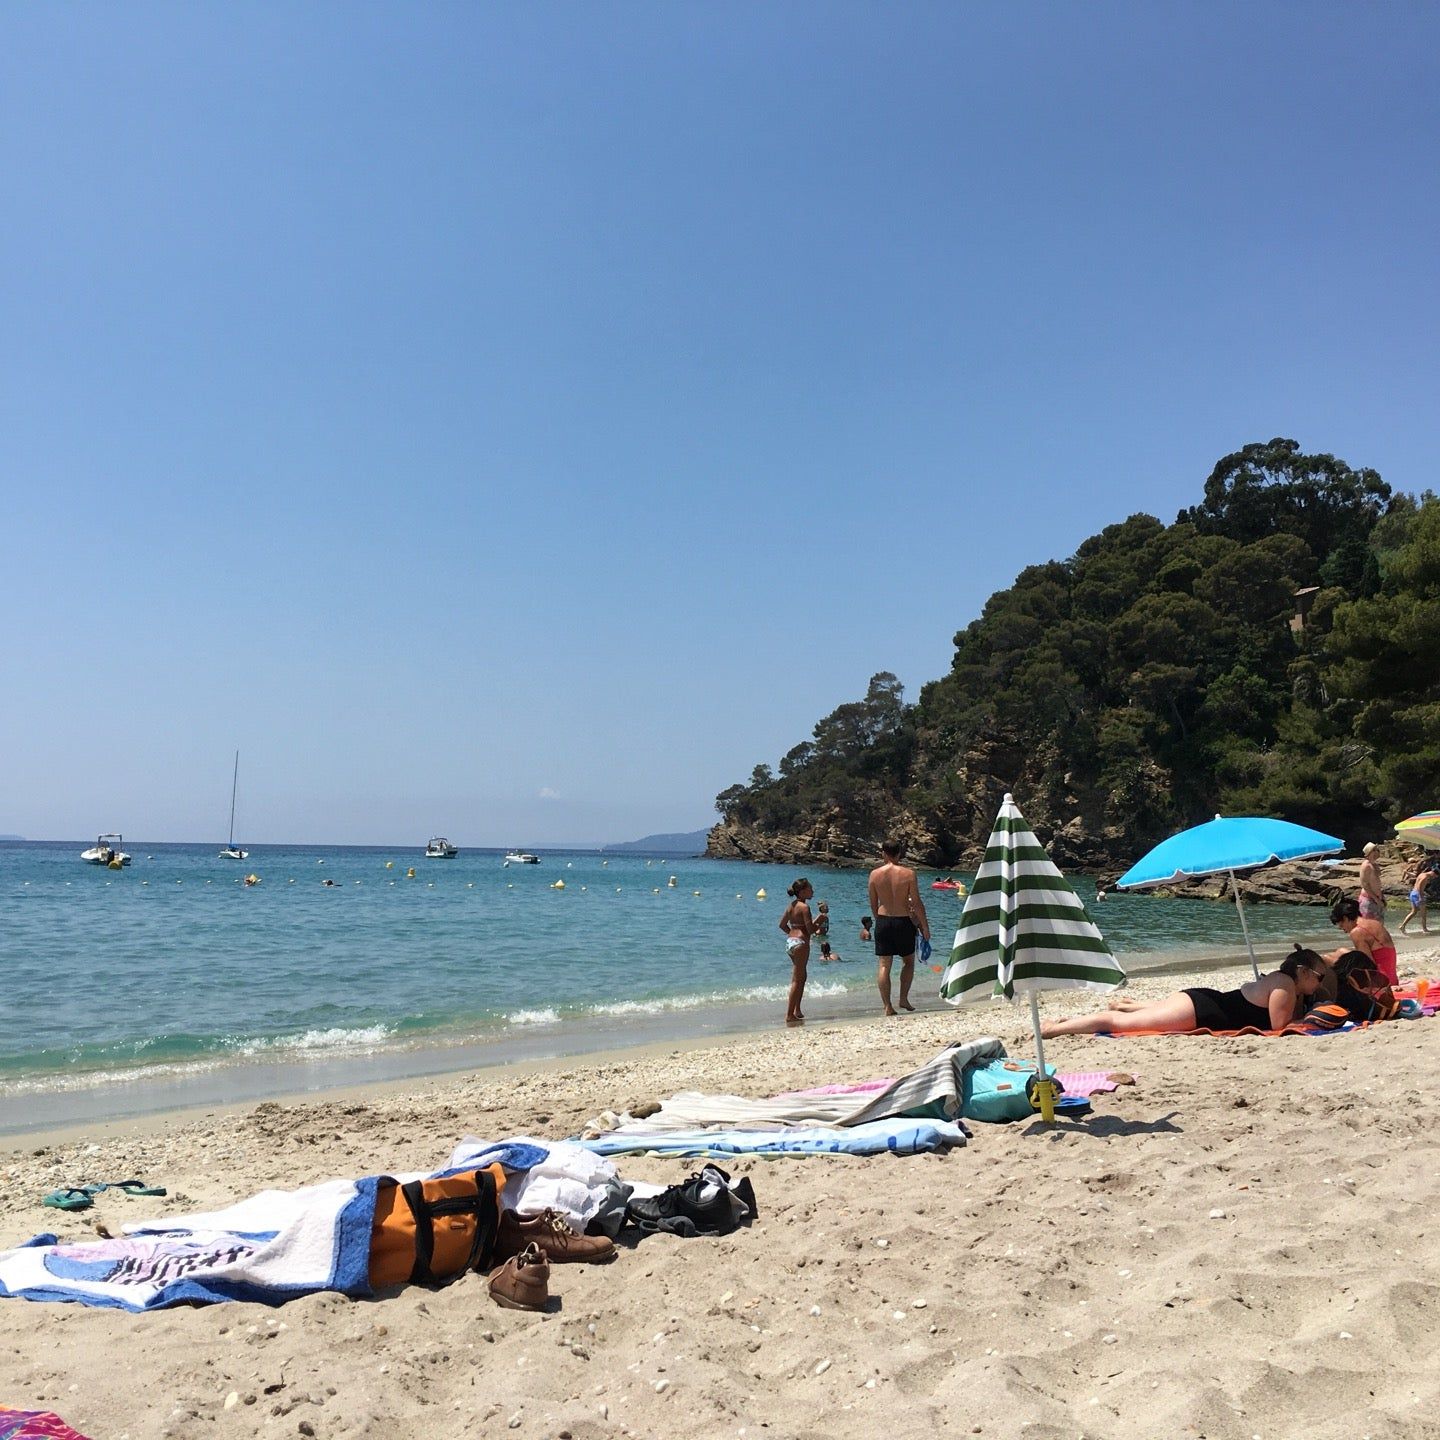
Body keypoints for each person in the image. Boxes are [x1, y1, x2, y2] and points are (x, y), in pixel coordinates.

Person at [1040, 948, 1327, 1037]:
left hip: (1201, 999)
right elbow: (1279, 1027)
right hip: (1199, 1011)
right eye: (1319, 976)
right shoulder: (1286, 985)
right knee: (1116, 1025)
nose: (1320, 982)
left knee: (1140, 1016)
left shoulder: (1279, 980)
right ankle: (1054, 1029)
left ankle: (1130, 1005)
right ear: (1302, 972)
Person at [867, 839, 931, 1017]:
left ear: (883, 853)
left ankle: (887, 1006)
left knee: (884, 965)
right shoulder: (909, 874)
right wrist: (924, 926)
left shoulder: (874, 874)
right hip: (903, 921)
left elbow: (873, 902)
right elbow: (916, 902)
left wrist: (878, 918)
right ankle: (903, 998)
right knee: (908, 962)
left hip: (883, 920)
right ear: (899, 854)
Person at [1329, 896, 1399, 987]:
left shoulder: (1357, 932)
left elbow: (1366, 965)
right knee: (1341, 951)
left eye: (1341, 926)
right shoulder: (1374, 923)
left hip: (1381, 982)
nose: (1342, 929)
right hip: (1391, 977)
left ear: (1345, 918)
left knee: (1330, 959)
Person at [777, 878, 814, 1026]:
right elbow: (811, 930)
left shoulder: (791, 906)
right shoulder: (804, 908)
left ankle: (797, 1010)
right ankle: (789, 1014)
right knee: (797, 980)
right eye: (810, 888)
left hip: (791, 942)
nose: (813, 891)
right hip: (801, 943)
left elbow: (782, 924)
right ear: (803, 891)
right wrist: (821, 918)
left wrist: (791, 933)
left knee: (802, 976)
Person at [1398, 856, 1436, 936]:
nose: (1435, 877)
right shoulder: (1425, 877)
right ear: (1433, 873)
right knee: (1423, 913)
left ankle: (1402, 926)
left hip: (1413, 893)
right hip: (1417, 894)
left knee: (1413, 912)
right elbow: (1419, 888)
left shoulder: (1422, 874)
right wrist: (1421, 898)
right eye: (1435, 876)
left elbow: (1415, 878)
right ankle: (1424, 929)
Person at [1358, 842, 1387, 920]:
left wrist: (1380, 898)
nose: (1377, 852)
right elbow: (1365, 885)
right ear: (1370, 852)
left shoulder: (1374, 864)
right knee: (1370, 926)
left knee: (1379, 926)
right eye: (1375, 850)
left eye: (1377, 850)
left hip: (1377, 898)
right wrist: (1376, 899)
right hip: (1369, 899)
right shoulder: (1366, 865)